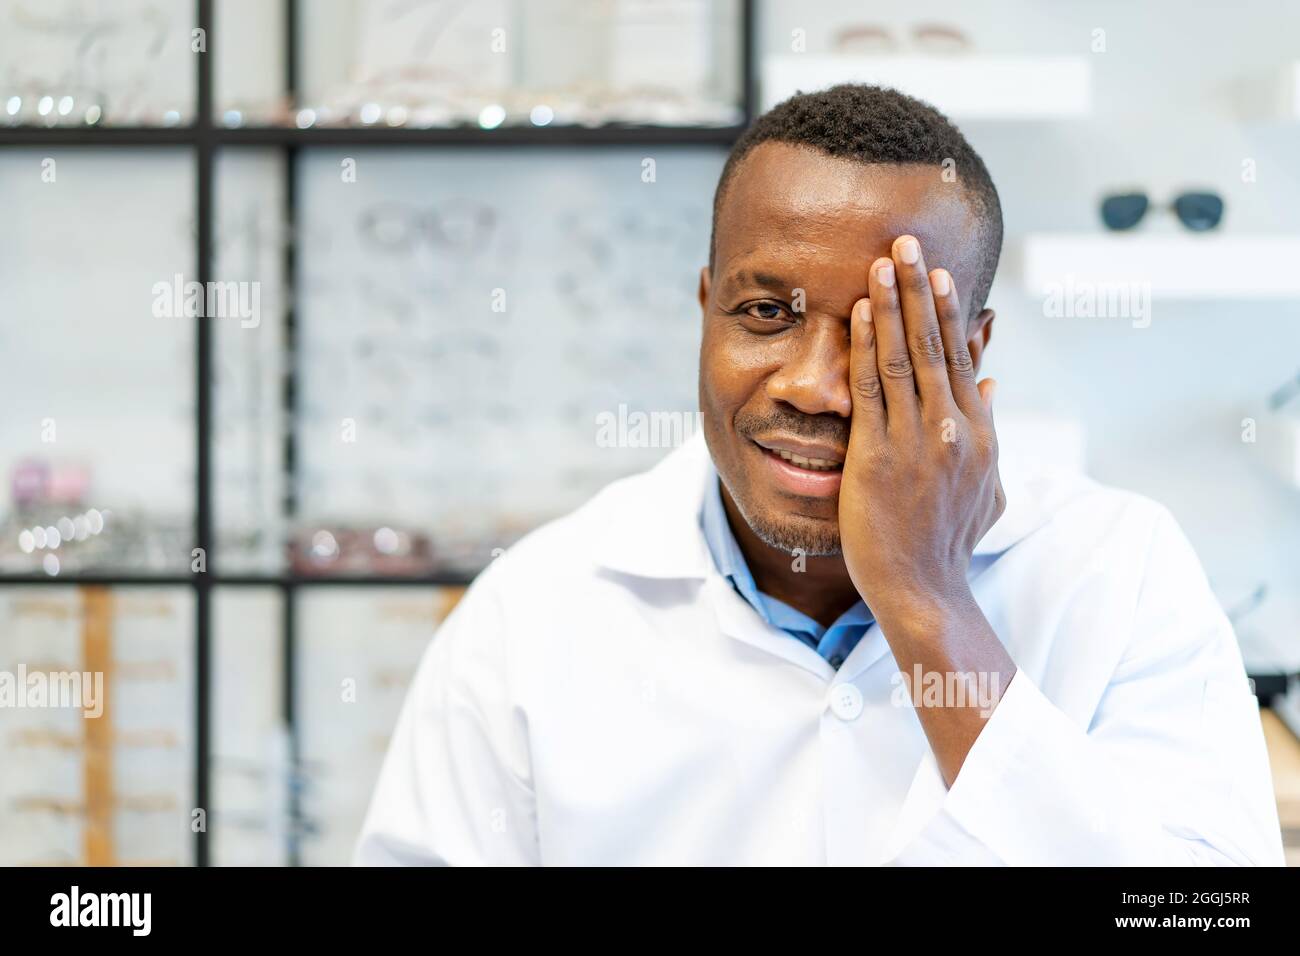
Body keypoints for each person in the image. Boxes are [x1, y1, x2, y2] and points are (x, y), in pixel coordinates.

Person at [354, 84, 1284, 866]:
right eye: (765, 312)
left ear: (973, 350)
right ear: (704, 310)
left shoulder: (1121, 573)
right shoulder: (529, 618)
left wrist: (930, 605)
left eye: (887, 339)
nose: (815, 387)